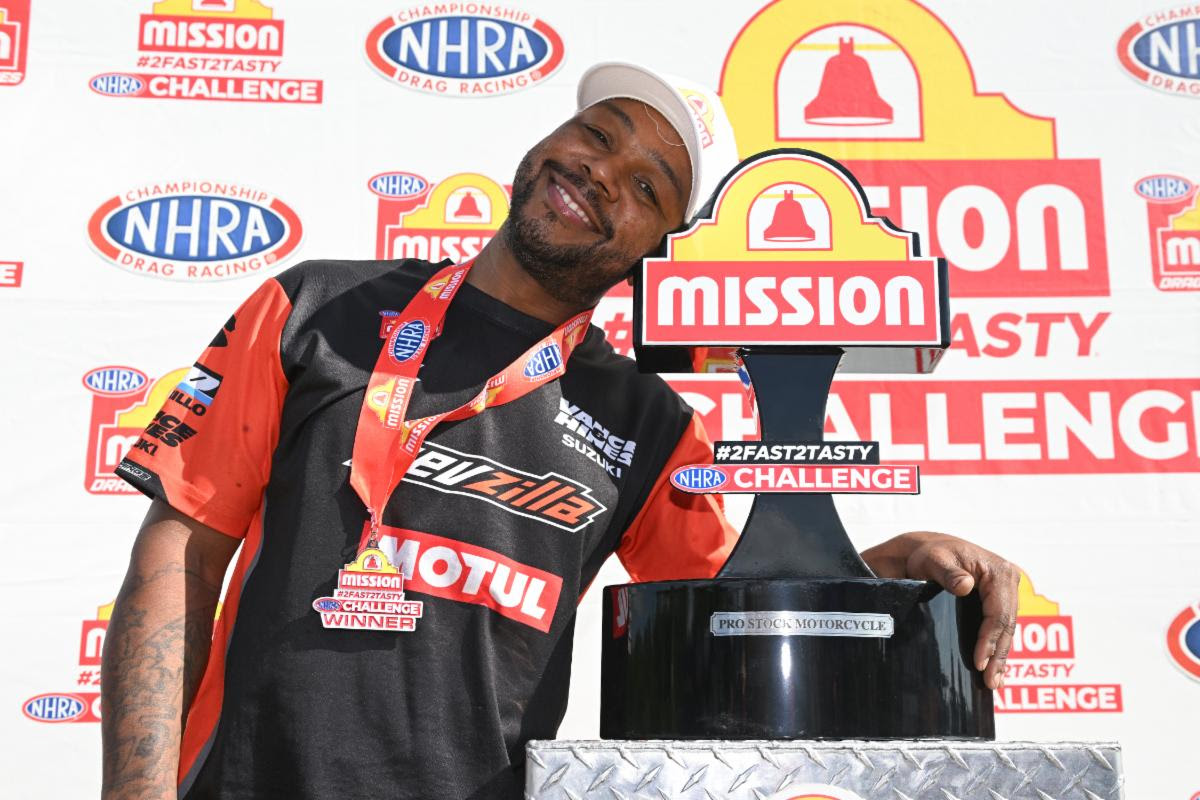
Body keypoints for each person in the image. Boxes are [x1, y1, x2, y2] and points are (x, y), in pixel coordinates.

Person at [101, 62, 1020, 800]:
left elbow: (734, 608)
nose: (599, 171)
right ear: (551, 136)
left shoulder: (650, 423)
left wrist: (884, 569)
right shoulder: (315, 308)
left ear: (658, 250)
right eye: (598, 135)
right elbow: (181, 551)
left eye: (646, 185)